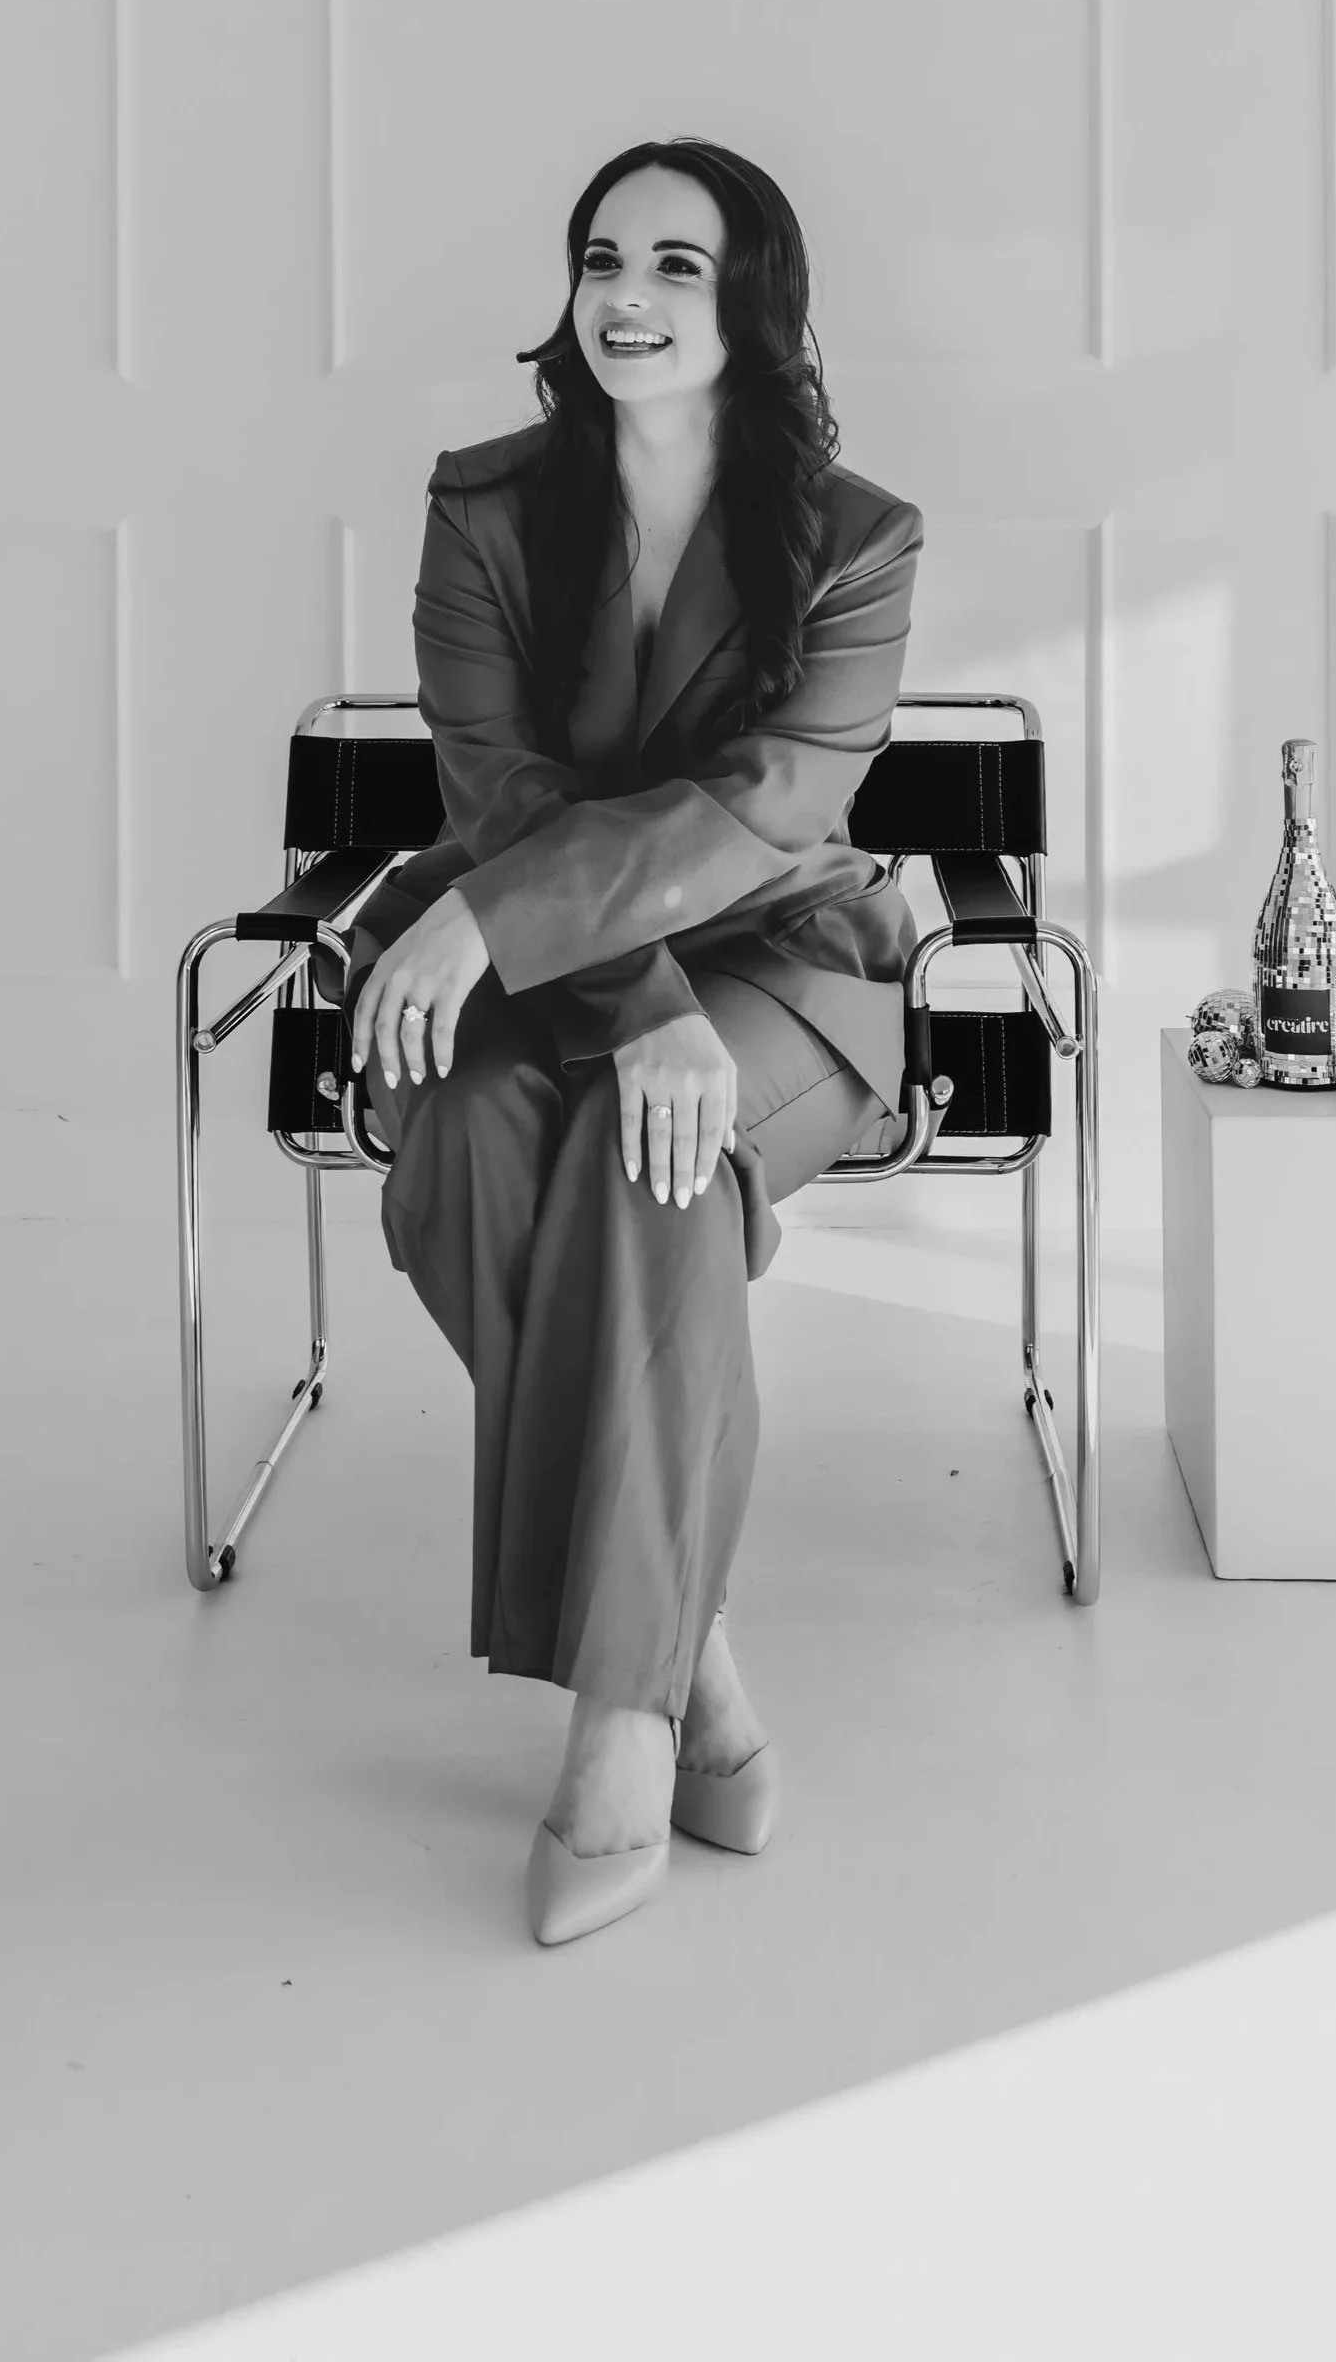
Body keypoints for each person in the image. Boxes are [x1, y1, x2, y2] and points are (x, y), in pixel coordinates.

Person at [343, 138, 924, 1945]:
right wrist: (636, 1003)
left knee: (639, 1159)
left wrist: (659, 992)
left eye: (678, 264)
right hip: (538, 945)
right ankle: (700, 1664)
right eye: (604, 257)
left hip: (790, 962)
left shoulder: (855, 540)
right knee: (468, 1142)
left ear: (751, 302)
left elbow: (762, 811)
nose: (627, 295)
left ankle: (619, 1724)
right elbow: (495, 785)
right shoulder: (486, 504)